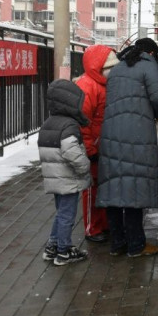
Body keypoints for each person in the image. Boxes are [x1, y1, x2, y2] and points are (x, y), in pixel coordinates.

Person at [97, 37, 158, 258]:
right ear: (150, 53)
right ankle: (136, 245)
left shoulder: (117, 69)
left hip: (111, 133)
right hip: (137, 133)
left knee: (115, 186)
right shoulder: (148, 66)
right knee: (134, 187)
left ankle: (118, 243)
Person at [39, 79, 92, 266]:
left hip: (54, 177)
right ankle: (63, 251)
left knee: (61, 213)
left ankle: (52, 246)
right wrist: (84, 166)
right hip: (67, 178)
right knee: (67, 216)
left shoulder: (49, 123)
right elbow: (71, 151)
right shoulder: (68, 125)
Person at [75, 44, 119, 243]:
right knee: (92, 189)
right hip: (93, 147)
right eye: (108, 67)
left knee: (103, 187)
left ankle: (104, 224)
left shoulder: (102, 84)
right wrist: (90, 149)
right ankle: (92, 228)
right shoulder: (87, 87)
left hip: (103, 145)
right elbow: (81, 123)